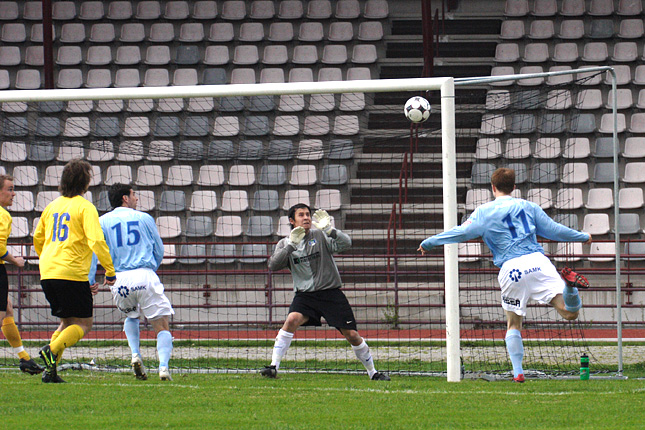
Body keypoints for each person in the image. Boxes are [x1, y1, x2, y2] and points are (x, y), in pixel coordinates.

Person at [418, 167, 592, 383]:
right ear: (514, 187)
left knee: (513, 324)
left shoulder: (484, 212)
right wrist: (582, 236)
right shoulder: (529, 207)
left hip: (512, 269)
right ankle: (569, 286)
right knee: (569, 313)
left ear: (493, 188)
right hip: (538, 262)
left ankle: (518, 372)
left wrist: (430, 242)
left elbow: (461, 232)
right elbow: (554, 230)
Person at [261, 203, 390, 381]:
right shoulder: (284, 243)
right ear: (292, 221)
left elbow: (346, 243)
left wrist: (330, 230)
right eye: (301, 215)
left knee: (352, 335)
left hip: (330, 294)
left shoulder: (320, 235)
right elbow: (273, 265)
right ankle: (273, 367)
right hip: (305, 296)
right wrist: (291, 244)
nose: (306, 217)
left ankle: (373, 372)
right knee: (291, 320)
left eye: (308, 214)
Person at [33, 159, 116, 383]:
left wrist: (48, 260)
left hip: (48, 272)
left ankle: (50, 371)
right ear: (85, 182)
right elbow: (97, 241)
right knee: (84, 324)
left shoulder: (51, 207)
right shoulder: (84, 207)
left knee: (66, 322)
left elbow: (37, 238)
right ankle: (51, 350)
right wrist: (110, 270)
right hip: (71, 273)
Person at [89, 183, 174, 381]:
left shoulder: (101, 222)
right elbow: (159, 249)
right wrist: (150, 269)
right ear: (125, 198)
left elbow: (95, 252)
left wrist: (91, 279)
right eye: (134, 195)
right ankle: (163, 367)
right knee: (162, 325)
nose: (137, 198)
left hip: (119, 279)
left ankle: (135, 354)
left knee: (131, 317)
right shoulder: (144, 218)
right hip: (144, 274)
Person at [0, 175, 44, 375]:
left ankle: (24, 358)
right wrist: (14, 260)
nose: (14, 193)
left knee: (7, 310)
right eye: (9, 189)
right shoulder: (3, 215)